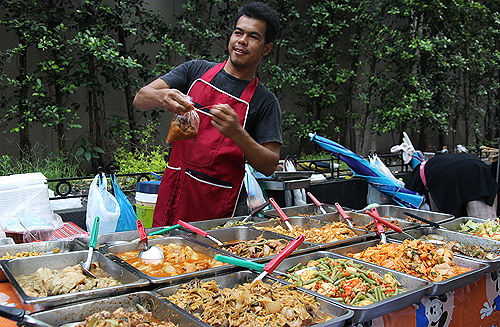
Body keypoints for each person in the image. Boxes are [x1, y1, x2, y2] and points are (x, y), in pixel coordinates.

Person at [133, 2, 282, 227]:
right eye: (238, 32)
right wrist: (163, 96)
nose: (242, 40)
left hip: (214, 207)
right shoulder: (196, 71)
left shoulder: (264, 101)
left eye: (253, 37)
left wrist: (238, 134)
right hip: (173, 190)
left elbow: (269, 164)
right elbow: (141, 98)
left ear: (266, 48)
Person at [408, 152, 499, 218]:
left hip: (446, 175)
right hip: (477, 166)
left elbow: (416, 203)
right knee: (483, 220)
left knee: (447, 221)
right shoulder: (433, 164)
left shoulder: (418, 175)